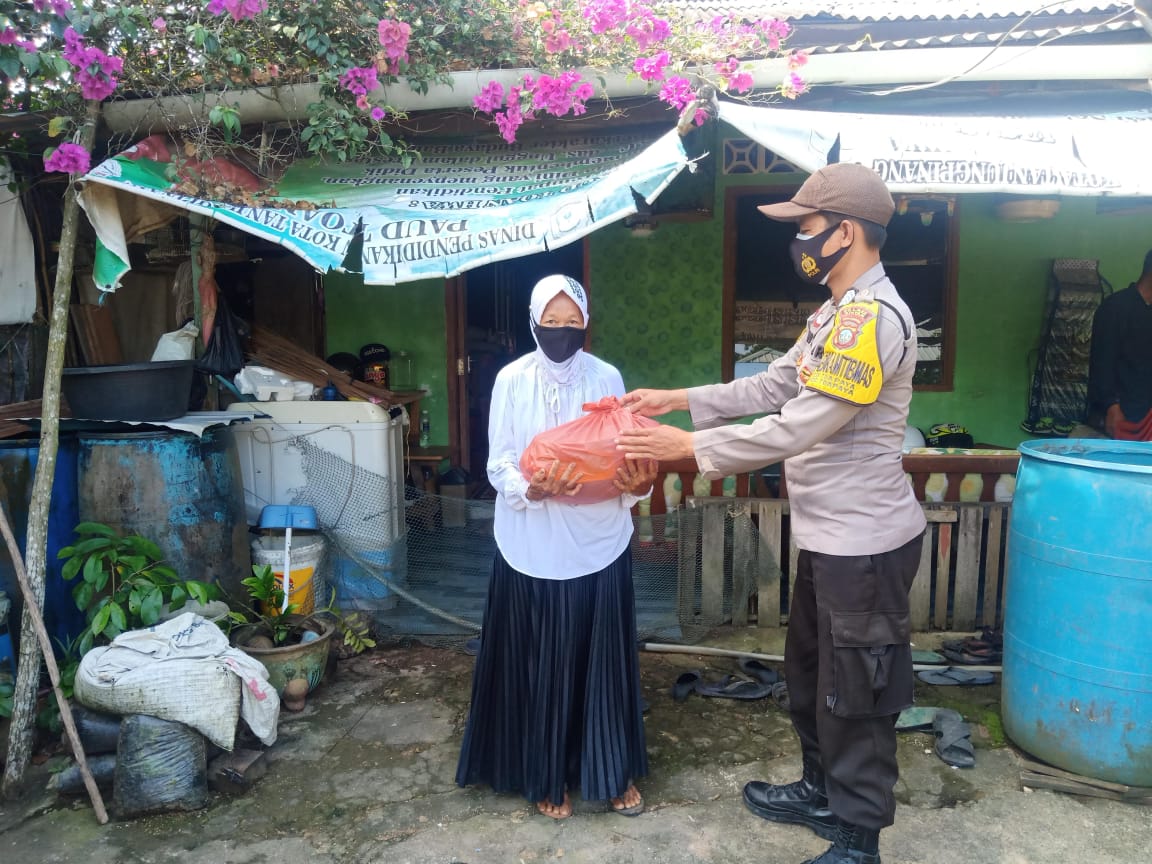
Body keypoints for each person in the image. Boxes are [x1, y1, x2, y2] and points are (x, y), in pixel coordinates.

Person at [616, 163, 927, 864]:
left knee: (858, 689)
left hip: (864, 542)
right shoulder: (836, 313)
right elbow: (776, 384)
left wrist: (689, 448)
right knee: (813, 672)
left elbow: (800, 423)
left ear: (846, 232)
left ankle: (859, 838)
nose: (799, 241)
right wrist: (678, 398)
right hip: (830, 536)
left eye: (807, 227)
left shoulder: (875, 320)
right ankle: (822, 791)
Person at [455, 274, 656, 821]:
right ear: (533, 321)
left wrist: (639, 486)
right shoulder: (512, 379)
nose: (561, 332)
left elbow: (625, 455)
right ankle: (545, 773)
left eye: (572, 322)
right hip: (533, 543)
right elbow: (499, 462)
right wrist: (531, 488)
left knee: (601, 663)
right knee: (542, 662)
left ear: (586, 323)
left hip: (599, 540)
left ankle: (610, 769)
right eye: (551, 321)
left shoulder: (607, 376)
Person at [1086, 249, 1152, 440]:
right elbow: (1102, 363)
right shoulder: (1115, 307)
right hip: (1119, 415)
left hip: (1147, 416)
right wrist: (1111, 406)